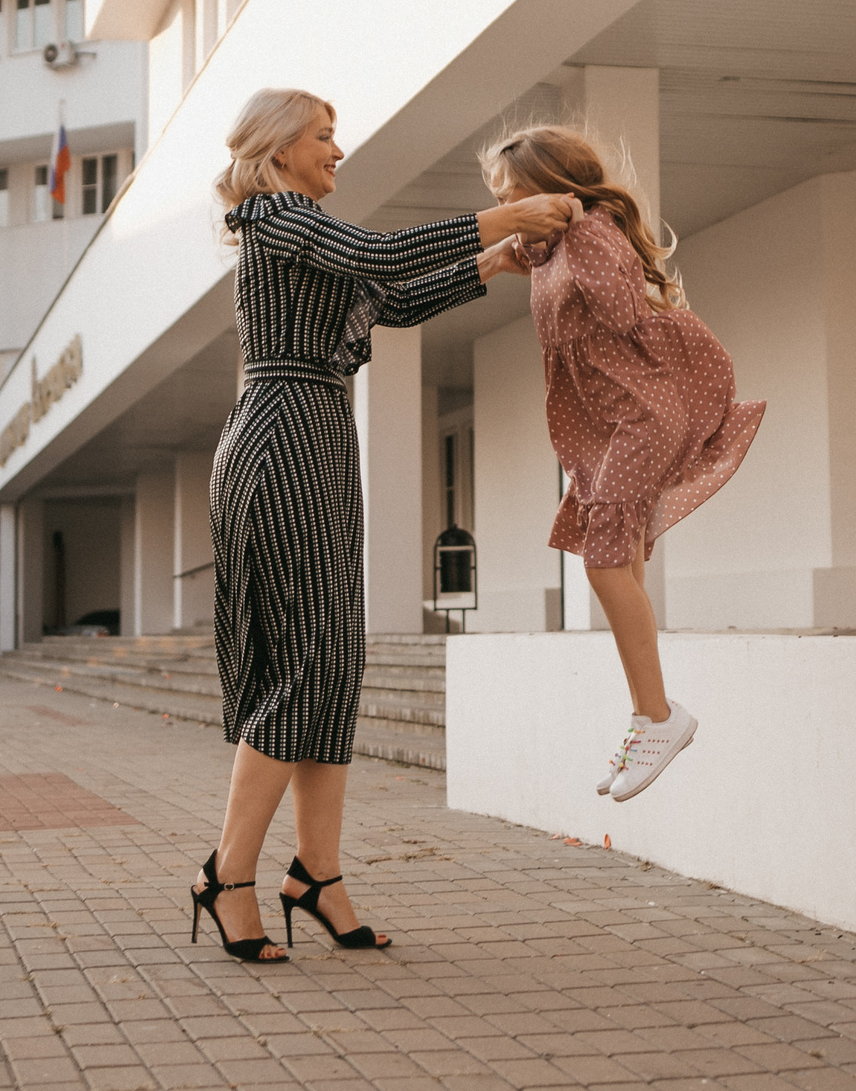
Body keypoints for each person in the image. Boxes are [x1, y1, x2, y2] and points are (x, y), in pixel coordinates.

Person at [192, 88, 580, 964]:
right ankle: (228, 875)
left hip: (320, 433)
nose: (339, 150)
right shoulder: (277, 216)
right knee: (299, 666)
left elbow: (388, 300)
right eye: (324, 136)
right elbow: (381, 251)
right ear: (279, 148)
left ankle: (317, 876)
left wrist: (491, 263)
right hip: (281, 431)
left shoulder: (305, 231)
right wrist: (501, 217)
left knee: (333, 663)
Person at [479, 124, 764, 802]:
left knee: (605, 559)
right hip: (613, 420)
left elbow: (622, 306)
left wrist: (578, 233)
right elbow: (526, 256)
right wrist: (498, 256)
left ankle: (660, 716)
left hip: (640, 411)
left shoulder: (590, 235)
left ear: (552, 188)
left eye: (513, 194)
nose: (508, 206)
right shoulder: (552, 243)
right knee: (618, 556)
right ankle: (648, 716)